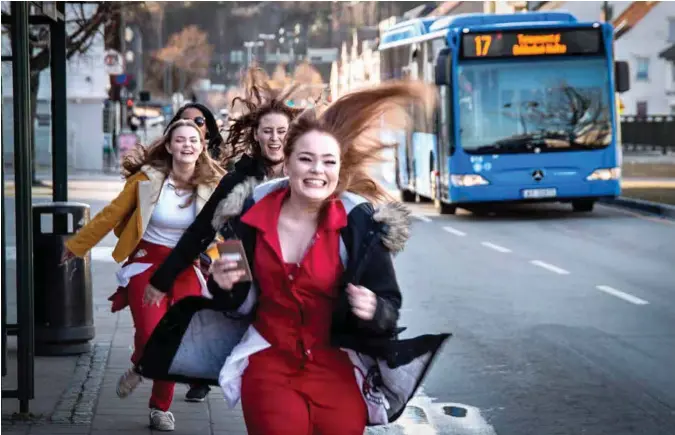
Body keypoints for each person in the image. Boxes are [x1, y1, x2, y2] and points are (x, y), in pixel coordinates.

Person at [136, 81, 450, 435]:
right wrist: (221, 283)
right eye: (306, 159)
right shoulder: (243, 218)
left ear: (338, 168)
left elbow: (390, 307)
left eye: (328, 161)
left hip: (336, 367)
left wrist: (374, 309)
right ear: (288, 163)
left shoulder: (359, 226)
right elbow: (230, 300)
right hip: (269, 361)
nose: (317, 170)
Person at [140, 68, 303, 403]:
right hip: (238, 263)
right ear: (256, 134)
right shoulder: (236, 181)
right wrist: (162, 278)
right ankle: (205, 370)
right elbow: (201, 231)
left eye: (281, 132)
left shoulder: (307, 175)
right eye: (267, 131)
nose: (274, 138)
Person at [61, 119, 224, 432]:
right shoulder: (146, 180)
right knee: (151, 334)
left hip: (185, 268)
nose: (187, 145)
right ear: (169, 145)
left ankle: (159, 408)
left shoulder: (214, 184)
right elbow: (112, 214)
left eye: (194, 140)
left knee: (175, 342)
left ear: (202, 146)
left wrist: (237, 268)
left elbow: (228, 230)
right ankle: (142, 361)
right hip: (146, 263)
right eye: (180, 140)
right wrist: (78, 245)